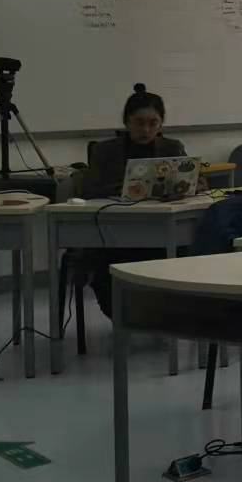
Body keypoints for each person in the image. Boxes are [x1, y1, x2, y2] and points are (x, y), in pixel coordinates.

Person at [81, 83, 189, 316]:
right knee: (104, 269)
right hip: (115, 232)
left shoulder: (172, 147)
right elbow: (89, 189)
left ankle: (163, 315)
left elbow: (195, 182)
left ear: (161, 124)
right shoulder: (104, 151)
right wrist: (130, 189)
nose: (146, 130)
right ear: (127, 122)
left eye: (153, 123)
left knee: (185, 254)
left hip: (160, 230)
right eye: (139, 123)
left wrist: (181, 188)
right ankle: (125, 317)